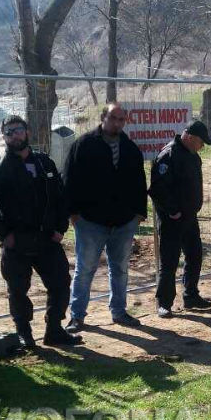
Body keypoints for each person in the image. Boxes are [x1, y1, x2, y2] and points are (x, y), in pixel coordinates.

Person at [0, 115, 82, 348]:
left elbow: (60, 198)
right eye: (9, 132)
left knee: (61, 284)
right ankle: (24, 333)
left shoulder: (45, 163)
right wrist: (4, 234)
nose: (15, 135)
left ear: (27, 132)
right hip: (17, 242)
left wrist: (60, 228)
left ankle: (54, 330)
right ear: (3, 137)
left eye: (19, 130)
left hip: (47, 239)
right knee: (18, 290)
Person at [63, 103, 147, 331]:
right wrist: (72, 214)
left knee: (120, 269)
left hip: (123, 222)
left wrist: (139, 214)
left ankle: (119, 312)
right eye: (113, 118)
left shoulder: (130, 148)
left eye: (121, 119)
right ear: (103, 117)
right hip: (90, 221)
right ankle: (77, 315)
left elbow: (139, 182)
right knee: (85, 269)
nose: (117, 122)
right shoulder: (84, 144)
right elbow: (69, 179)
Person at [148, 120, 211, 318]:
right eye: (201, 142)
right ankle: (164, 303)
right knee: (169, 261)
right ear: (190, 137)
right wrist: (173, 211)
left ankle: (191, 295)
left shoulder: (192, 156)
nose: (202, 146)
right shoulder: (168, 155)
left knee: (195, 254)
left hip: (189, 217)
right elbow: (157, 189)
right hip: (172, 219)